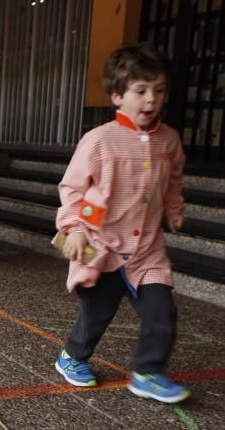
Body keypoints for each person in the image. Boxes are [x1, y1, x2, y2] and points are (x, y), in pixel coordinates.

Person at [54, 43, 189, 404]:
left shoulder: (169, 140)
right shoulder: (99, 141)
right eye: (141, 91)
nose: (152, 100)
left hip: (147, 249)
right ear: (117, 96)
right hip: (101, 247)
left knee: (162, 311)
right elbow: (72, 188)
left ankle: (148, 372)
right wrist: (74, 227)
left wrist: (174, 208)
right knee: (98, 313)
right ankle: (72, 356)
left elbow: (173, 180)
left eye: (159, 91)